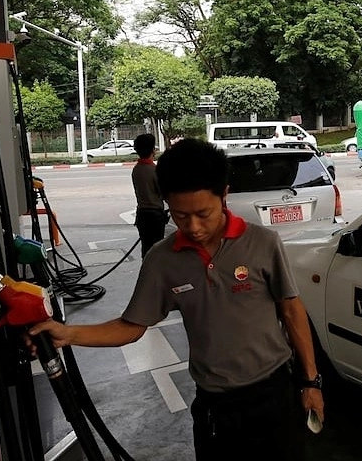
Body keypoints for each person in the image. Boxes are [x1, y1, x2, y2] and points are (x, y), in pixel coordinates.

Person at [28, 138, 324, 461]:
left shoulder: (263, 244)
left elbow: (292, 311)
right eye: (181, 216)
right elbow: (131, 327)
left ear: (224, 194)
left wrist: (311, 381)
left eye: (203, 214)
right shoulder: (162, 261)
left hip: (275, 394)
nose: (193, 227)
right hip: (216, 406)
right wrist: (68, 334)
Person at [131, 133, 167, 258]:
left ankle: (146, 273)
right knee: (157, 249)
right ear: (153, 150)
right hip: (155, 216)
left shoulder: (136, 169)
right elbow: (163, 192)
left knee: (146, 249)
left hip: (142, 215)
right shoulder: (153, 170)